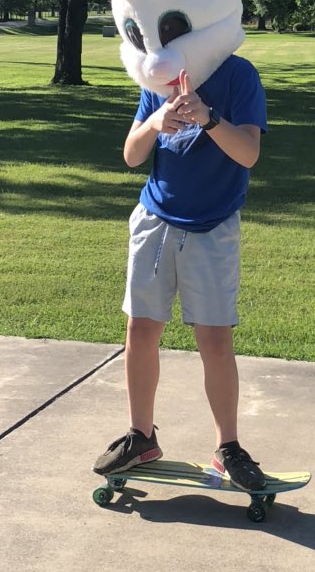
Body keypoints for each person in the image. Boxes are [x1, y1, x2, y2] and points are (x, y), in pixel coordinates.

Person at [93, 60, 268, 491]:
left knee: (214, 339)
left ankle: (227, 447)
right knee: (140, 330)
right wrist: (155, 120)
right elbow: (132, 155)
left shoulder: (237, 75)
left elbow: (248, 153)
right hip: (155, 219)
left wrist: (207, 117)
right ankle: (141, 436)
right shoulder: (159, 75)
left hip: (213, 225)